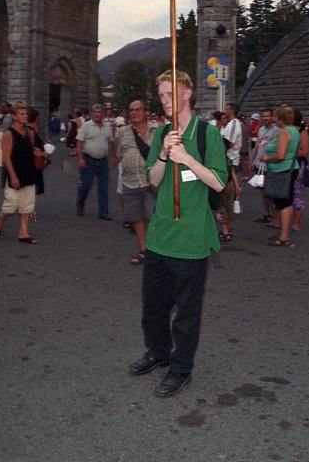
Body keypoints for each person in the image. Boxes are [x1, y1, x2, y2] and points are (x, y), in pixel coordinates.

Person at [127, 69, 227, 399]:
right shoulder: (162, 133)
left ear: (187, 93)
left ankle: (181, 368)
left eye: (170, 93)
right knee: (153, 305)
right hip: (159, 235)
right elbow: (154, 180)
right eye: (161, 95)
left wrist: (186, 158)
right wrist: (162, 154)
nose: (165, 100)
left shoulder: (207, 134)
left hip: (191, 238)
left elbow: (219, 182)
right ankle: (158, 352)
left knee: (186, 312)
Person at [0, 104, 44, 243]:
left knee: (26, 205)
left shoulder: (30, 132)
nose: (25, 116)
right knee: (11, 206)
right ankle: (0, 220)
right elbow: (6, 158)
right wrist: (13, 177)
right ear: (14, 117)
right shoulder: (9, 134)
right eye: (22, 114)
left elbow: (35, 148)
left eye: (26, 114)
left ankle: (23, 233)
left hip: (29, 171)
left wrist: (39, 153)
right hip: (15, 172)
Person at [116, 100, 157, 264]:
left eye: (138, 109)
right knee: (137, 218)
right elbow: (119, 153)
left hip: (152, 184)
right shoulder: (123, 132)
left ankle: (158, 250)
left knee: (155, 218)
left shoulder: (157, 131)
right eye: (131, 110)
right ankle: (144, 250)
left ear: (145, 112)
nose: (134, 112)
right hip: (130, 182)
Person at [259, 105, 300, 247]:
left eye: (276, 117)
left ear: (281, 118)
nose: (274, 119)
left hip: (282, 170)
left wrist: (266, 158)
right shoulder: (294, 130)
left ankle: (283, 236)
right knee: (287, 202)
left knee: (282, 204)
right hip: (291, 168)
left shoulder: (284, 132)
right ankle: (285, 233)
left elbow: (280, 155)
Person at [75, 104, 117, 220]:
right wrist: (80, 159)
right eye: (95, 112)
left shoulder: (107, 127)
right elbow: (79, 143)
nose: (97, 114)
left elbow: (111, 143)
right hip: (88, 160)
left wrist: (114, 157)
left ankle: (103, 213)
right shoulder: (86, 126)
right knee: (85, 187)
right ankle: (80, 205)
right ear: (92, 113)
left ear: (103, 113)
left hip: (103, 162)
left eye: (99, 112)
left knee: (103, 188)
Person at [252, 109, 280, 223]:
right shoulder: (261, 129)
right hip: (260, 164)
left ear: (272, 117)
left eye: (268, 116)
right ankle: (266, 213)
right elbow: (258, 145)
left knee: (271, 191)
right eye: (263, 116)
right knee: (263, 190)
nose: (265, 118)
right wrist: (252, 160)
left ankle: (274, 215)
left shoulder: (277, 130)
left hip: (270, 164)